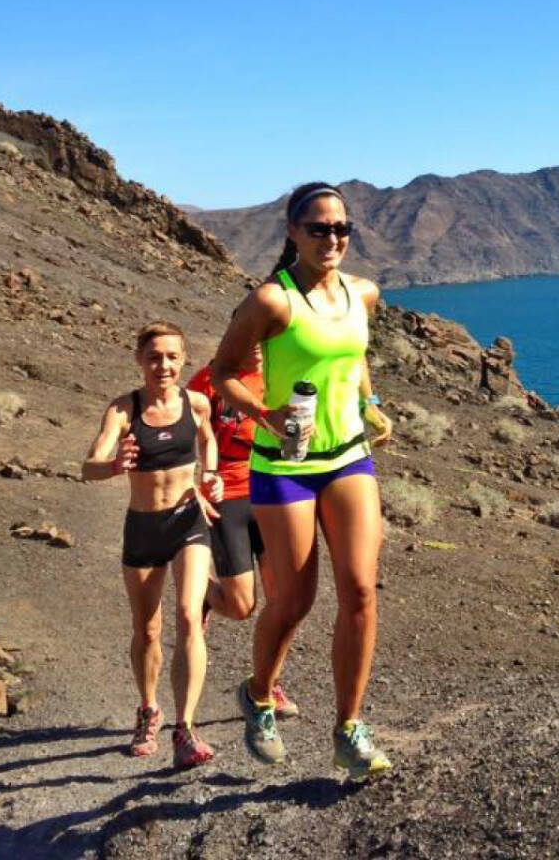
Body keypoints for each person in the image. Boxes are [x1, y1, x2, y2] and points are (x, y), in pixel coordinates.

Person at [210, 182, 395, 782]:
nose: (333, 238)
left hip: (347, 457)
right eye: (319, 228)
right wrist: (263, 414)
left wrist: (369, 402)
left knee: (361, 590)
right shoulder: (271, 301)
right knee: (293, 603)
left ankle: (349, 730)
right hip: (284, 465)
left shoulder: (363, 293)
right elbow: (223, 374)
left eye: (342, 228)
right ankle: (259, 696)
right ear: (292, 232)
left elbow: (353, 352)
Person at [82, 321, 223, 769]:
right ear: (140, 360)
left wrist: (211, 476)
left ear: (183, 360)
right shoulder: (124, 410)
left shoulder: (196, 403)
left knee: (188, 616)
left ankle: (185, 728)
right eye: (154, 356)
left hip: (188, 521)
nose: (163, 364)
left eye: (172, 356)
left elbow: (208, 441)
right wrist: (113, 466)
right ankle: (148, 710)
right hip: (143, 527)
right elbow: (89, 465)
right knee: (147, 630)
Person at [186, 332, 300, 719]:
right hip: (229, 495)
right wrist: (193, 485)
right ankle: (201, 590)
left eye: (262, 337)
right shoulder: (208, 380)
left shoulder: (282, 380)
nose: (254, 344)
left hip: (273, 492)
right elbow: (187, 438)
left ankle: (267, 685)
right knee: (239, 607)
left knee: (283, 601)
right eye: (246, 335)